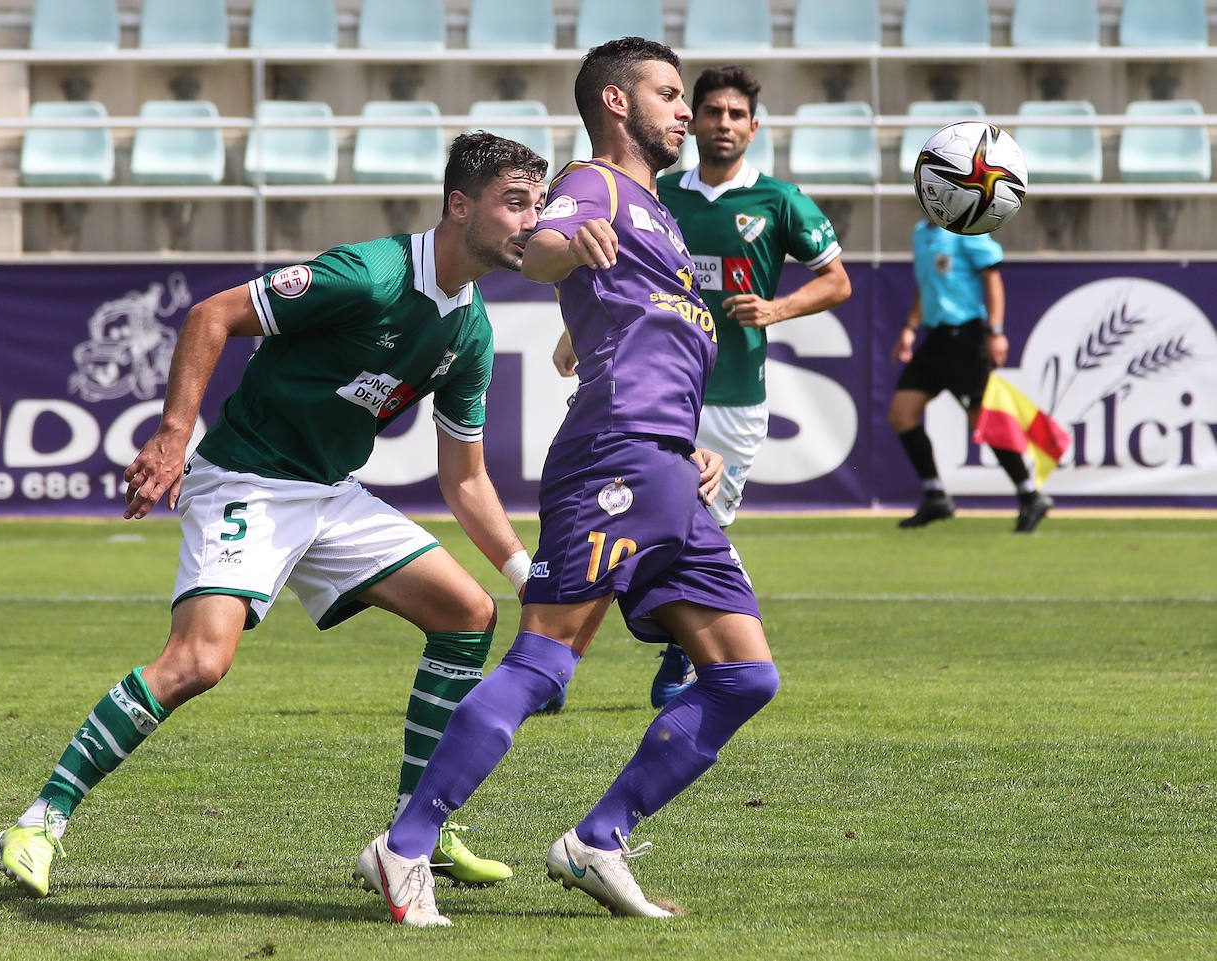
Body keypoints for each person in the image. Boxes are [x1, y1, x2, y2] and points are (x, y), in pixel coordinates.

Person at [0, 132, 548, 899]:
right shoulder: (370, 275)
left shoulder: (471, 331)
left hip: (329, 492)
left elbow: (466, 478)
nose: (531, 221)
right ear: (460, 204)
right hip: (247, 479)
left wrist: (525, 574)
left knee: (468, 613)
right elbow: (210, 315)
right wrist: (173, 437)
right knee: (198, 662)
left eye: (537, 205)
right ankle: (38, 820)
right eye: (514, 203)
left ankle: (416, 831)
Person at [356, 37, 780, 927]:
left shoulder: (660, 214)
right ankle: (405, 845)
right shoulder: (596, 183)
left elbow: (631, 324)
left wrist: (686, 445)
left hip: (668, 464)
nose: (685, 110)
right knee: (545, 663)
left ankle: (598, 840)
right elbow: (546, 246)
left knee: (744, 675)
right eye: (669, 93)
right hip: (614, 456)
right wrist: (560, 248)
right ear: (617, 103)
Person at [551, 63, 851, 710]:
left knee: (696, 525)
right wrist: (576, 332)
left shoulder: (779, 200)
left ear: (754, 128)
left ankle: (680, 651)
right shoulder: (661, 197)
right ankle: (555, 660)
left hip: (735, 399)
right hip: (648, 392)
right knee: (617, 523)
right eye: (711, 110)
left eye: (736, 115)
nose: (721, 123)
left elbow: (838, 281)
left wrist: (776, 309)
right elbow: (628, 279)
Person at [889, 220, 1052, 532]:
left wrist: (996, 331)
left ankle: (1030, 496)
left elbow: (992, 278)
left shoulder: (965, 228)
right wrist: (910, 327)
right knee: (901, 413)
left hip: (965, 337)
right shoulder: (921, 232)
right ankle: (935, 496)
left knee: (982, 420)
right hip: (936, 337)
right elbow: (926, 285)